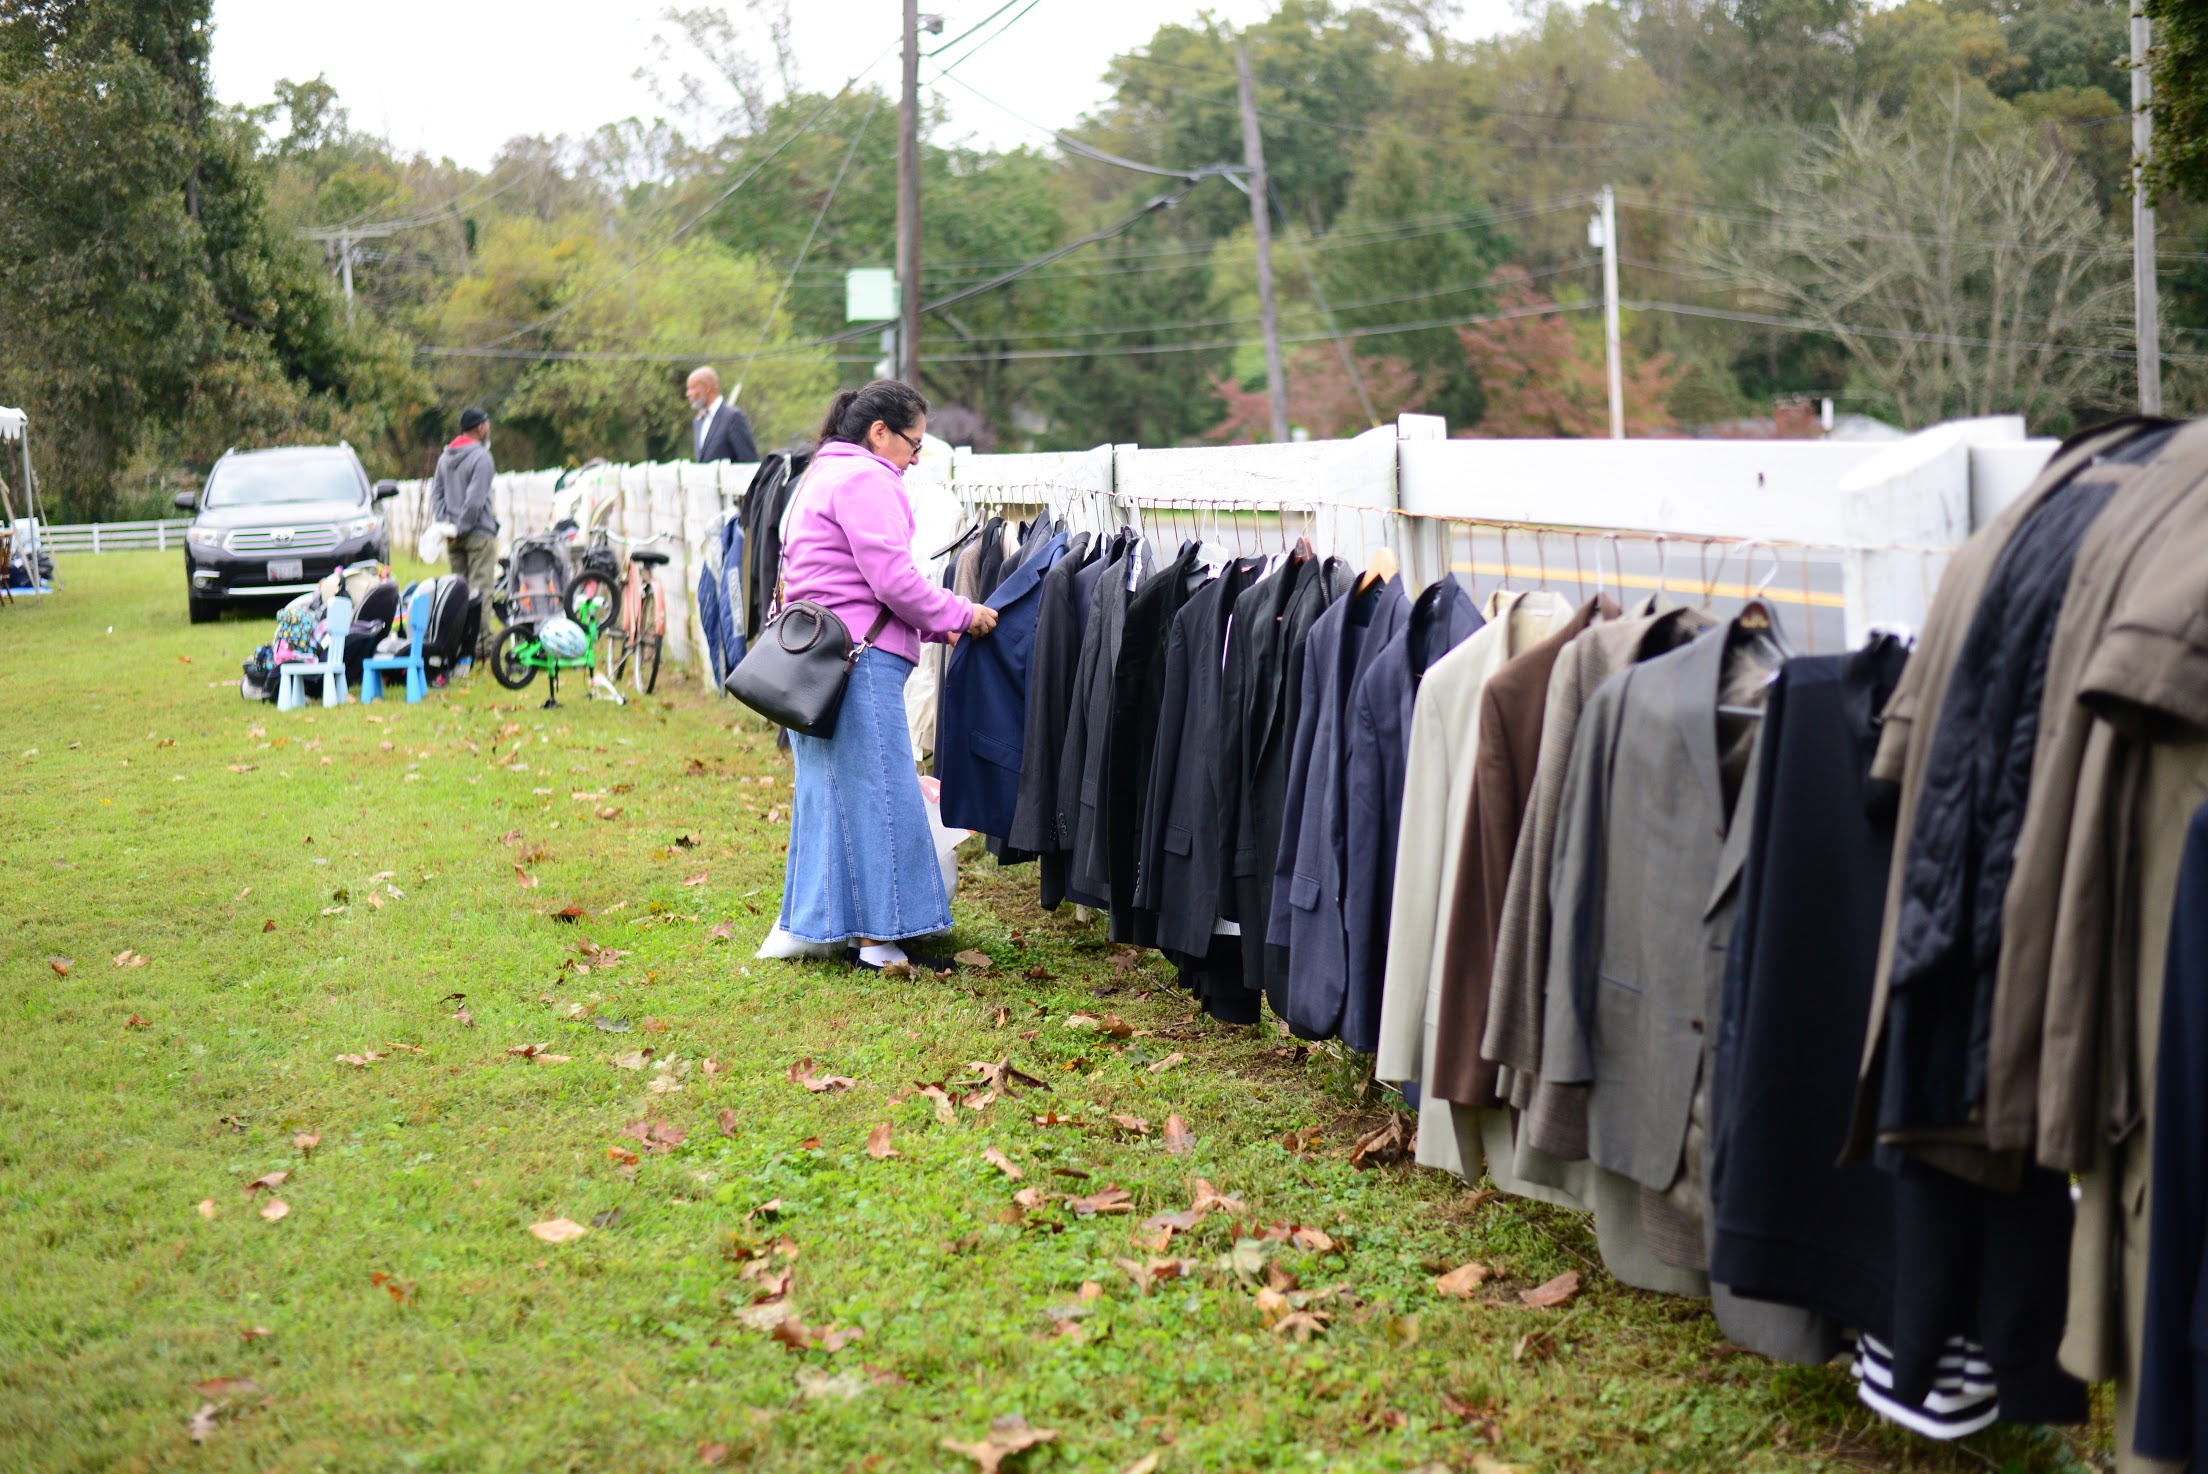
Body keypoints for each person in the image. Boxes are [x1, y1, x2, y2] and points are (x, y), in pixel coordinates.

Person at [775, 380, 997, 970]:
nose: (917, 456)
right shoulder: (869, 479)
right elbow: (892, 580)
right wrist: (960, 613)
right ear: (879, 433)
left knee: (832, 797)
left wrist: (932, 627)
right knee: (881, 794)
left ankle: (827, 929)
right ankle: (880, 940)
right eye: (913, 441)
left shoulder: (820, 475)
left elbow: (842, 581)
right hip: (857, 662)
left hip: (816, 663)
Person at [429, 406, 498, 656]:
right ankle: (480, 646)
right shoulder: (481, 458)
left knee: (458, 595)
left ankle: (459, 644)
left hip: (452, 537)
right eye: (487, 425)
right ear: (480, 427)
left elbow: (436, 495)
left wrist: (447, 524)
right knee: (481, 591)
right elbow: (476, 500)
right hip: (478, 534)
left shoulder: (445, 457)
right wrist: (462, 528)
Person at [686, 366, 758, 464]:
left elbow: (749, 462)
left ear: (706, 388)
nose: (688, 394)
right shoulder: (698, 421)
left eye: (692, 388)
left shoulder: (732, 417)